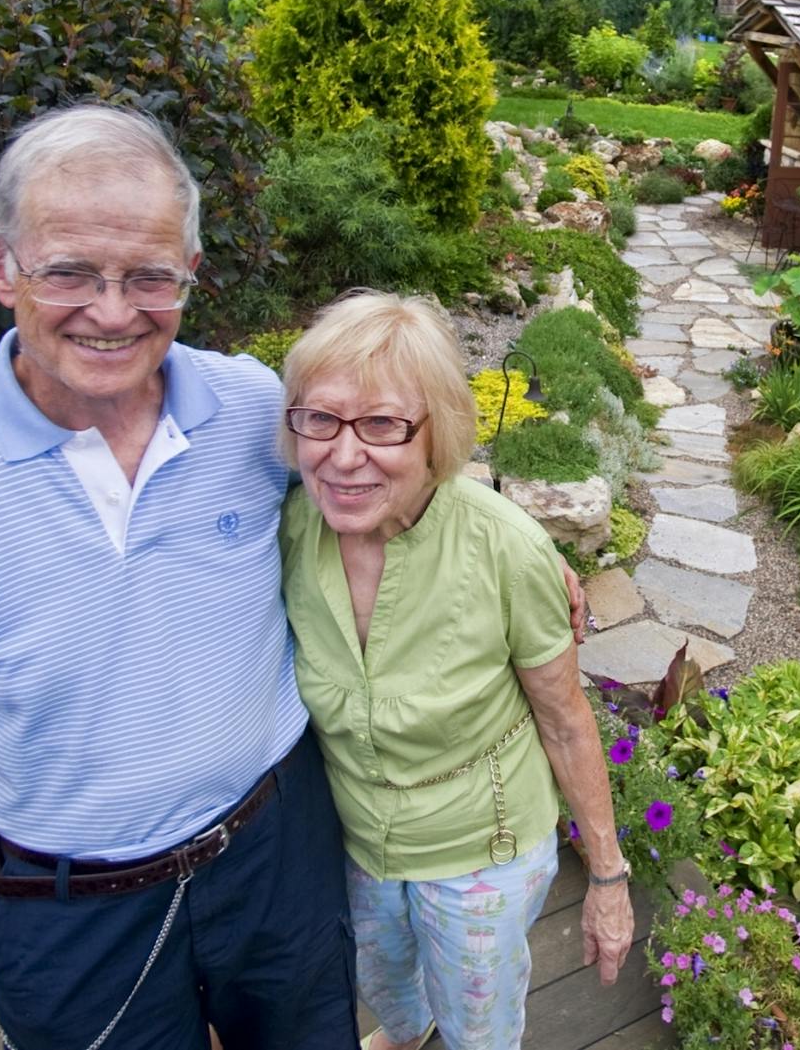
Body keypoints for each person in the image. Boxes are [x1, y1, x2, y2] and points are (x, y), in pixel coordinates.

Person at [0, 104, 359, 1049]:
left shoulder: (249, 407)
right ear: (0, 267)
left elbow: (381, 485)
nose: (113, 311)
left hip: (277, 856)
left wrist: (518, 560)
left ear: (189, 275)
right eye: (69, 269)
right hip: (70, 912)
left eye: (150, 275)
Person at [277, 291, 635, 1050]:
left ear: (436, 431)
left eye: (381, 424)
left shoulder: (505, 547)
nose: (344, 454)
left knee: (479, 1021)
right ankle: (407, 1035)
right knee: (381, 980)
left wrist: (607, 877)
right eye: (320, 418)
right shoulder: (287, 523)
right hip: (353, 836)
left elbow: (566, 719)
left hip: (481, 846)